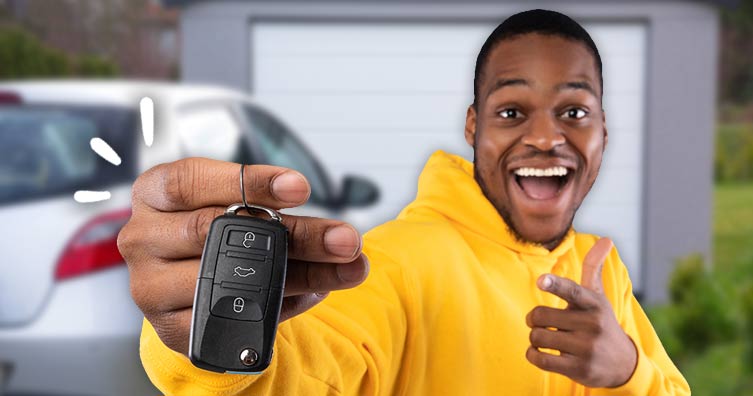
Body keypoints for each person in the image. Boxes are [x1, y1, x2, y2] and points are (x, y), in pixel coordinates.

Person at [118, 9, 690, 395]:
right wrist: (207, 336)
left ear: (603, 133)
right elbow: (303, 375)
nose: (545, 136)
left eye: (575, 112)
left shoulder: (599, 267)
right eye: (513, 112)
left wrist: (629, 373)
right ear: (474, 127)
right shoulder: (397, 262)